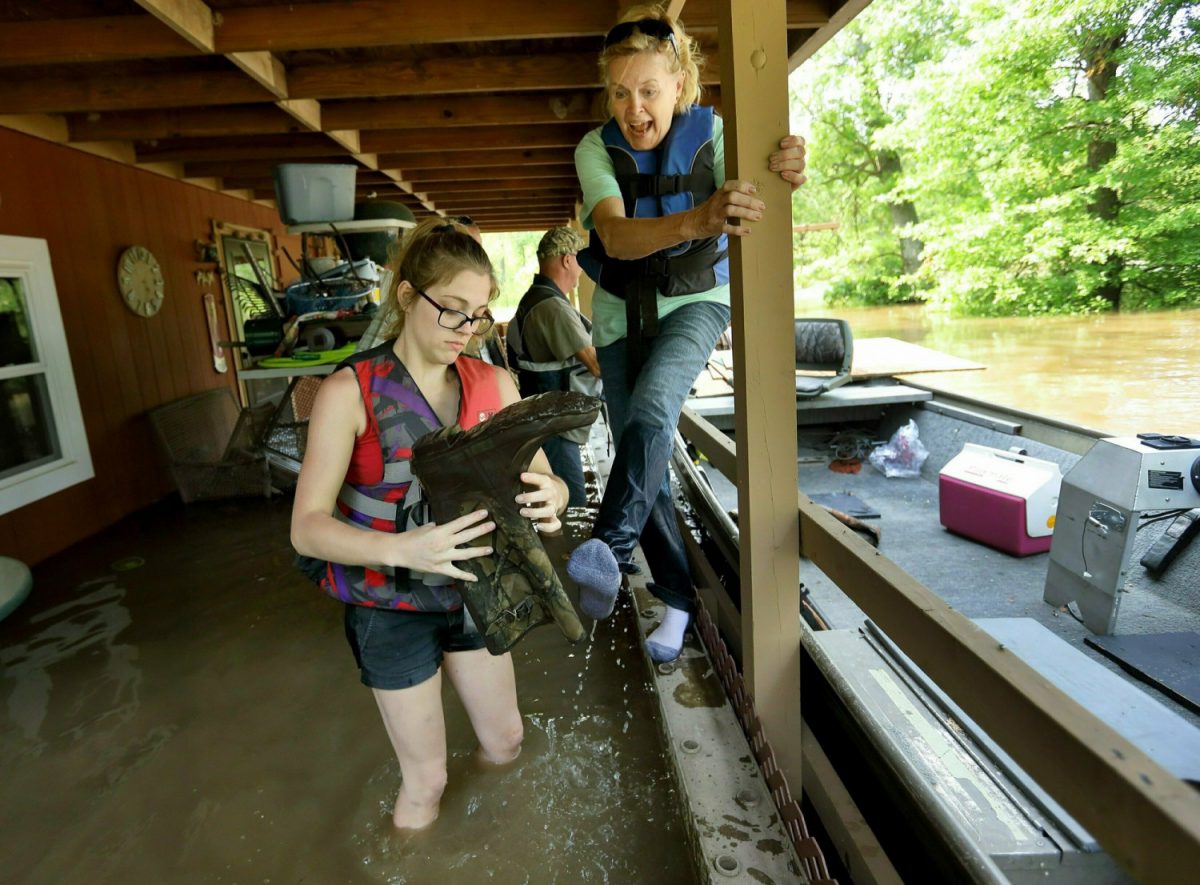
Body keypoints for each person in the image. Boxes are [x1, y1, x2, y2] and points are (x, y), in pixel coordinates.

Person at [291, 217, 570, 830]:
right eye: (452, 309)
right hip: (388, 608)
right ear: (408, 295)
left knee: (506, 744)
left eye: (478, 313)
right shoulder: (348, 392)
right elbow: (306, 528)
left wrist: (554, 496)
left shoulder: (495, 383)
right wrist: (404, 548)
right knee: (426, 781)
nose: (467, 330)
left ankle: (497, 845)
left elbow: (549, 480)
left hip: (476, 594)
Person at [565, 5, 807, 661]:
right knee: (646, 463)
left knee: (650, 415)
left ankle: (607, 551)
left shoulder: (718, 134)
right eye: (620, 92)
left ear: (680, 85)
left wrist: (788, 165)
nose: (633, 109)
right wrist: (697, 220)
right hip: (618, 317)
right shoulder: (594, 149)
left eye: (648, 89)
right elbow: (613, 233)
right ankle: (676, 601)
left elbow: (764, 181)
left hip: (697, 303)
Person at [506, 226, 602, 507]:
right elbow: (597, 365)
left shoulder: (536, 298)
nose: (581, 272)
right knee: (572, 504)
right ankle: (573, 552)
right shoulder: (552, 308)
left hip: (544, 421)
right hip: (556, 428)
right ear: (568, 260)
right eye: (580, 262)